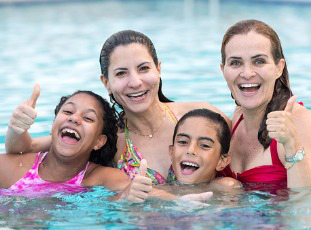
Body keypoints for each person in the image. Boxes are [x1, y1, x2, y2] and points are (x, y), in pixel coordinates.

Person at [5, 30, 230, 185]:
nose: (135, 82)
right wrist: (17, 127)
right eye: (121, 73)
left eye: (143, 68)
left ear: (158, 69)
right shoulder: (109, 138)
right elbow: (24, 148)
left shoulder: (203, 117)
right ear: (107, 83)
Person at [218, 19, 311, 188]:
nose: (247, 73)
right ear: (223, 70)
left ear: (278, 67)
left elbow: (310, 205)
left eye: (259, 61)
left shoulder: (302, 121)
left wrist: (291, 144)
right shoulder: (237, 118)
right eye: (236, 62)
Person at [1, 90, 131, 197]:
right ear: (53, 125)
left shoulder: (104, 179)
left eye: (88, 118)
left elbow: (130, 198)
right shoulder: (10, 168)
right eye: (68, 111)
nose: (74, 118)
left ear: (99, 141)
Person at [127, 109, 241, 202]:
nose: (191, 150)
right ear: (171, 152)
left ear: (222, 161)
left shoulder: (225, 186)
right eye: (183, 142)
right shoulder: (155, 191)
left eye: (205, 145)